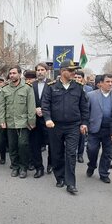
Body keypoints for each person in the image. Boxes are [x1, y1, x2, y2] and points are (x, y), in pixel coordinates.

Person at [42, 59, 89, 194]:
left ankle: (70, 183)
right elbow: (45, 105)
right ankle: (60, 177)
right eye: (71, 71)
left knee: (71, 154)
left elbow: (84, 107)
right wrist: (48, 119)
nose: (74, 73)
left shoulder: (78, 87)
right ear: (63, 71)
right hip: (55, 126)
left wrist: (84, 123)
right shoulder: (51, 86)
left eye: (74, 70)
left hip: (73, 126)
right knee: (56, 153)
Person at [0, 65, 36, 179]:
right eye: (10, 73)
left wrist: (31, 121)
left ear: (19, 74)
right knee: (12, 146)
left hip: (23, 122)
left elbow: (31, 105)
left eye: (14, 73)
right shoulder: (5, 89)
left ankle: (23, 168)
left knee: (23, 145)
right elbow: (2, 106)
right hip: (10, 122)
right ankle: (15, 167)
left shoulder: (27, 88)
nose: (12, 75)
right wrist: (2, 120)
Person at [86, 74, 112, 183]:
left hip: (110, 130)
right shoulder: (91, 95)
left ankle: (104, 173)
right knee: (92, 150)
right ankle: (92, 164)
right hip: (94, 129)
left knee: (108, 153)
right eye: (107, 81)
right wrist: (85, 124)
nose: (110, 84)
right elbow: (86, 112)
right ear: (101, 83)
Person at [31, 63, 53, 177]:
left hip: (48, 119)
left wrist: (44, 111)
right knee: (35, 145)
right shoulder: (31, 85)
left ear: (46, 71)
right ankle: (39, 168)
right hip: (35, 119)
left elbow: (55, 102)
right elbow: (29, 101)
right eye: (38, 70)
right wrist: (34, 109)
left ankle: (51, 164)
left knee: (51, 144)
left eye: (42, 70)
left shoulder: (52, 84)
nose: (40, 72)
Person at [74, 70, 93, 164]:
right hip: (73, 116)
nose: (77, 79)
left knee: (82, 136)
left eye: (79, 77)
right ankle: (72, 154)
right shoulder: (71, 87)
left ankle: (80, 154)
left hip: (83, 116)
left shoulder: (89, 89)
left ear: (83, 79)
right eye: (75, 77)